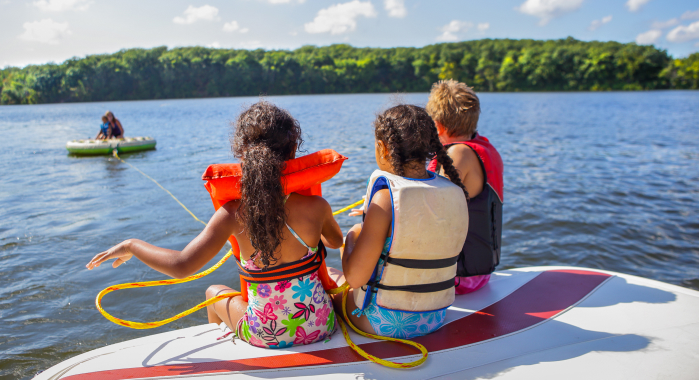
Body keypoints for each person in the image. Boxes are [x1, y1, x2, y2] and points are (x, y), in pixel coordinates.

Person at [86, 101, 344, 349]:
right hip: (319, 325)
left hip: (266, 334)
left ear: (242, 154)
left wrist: (132, 245)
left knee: (213, 292)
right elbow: (335, 242)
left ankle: (228, 354)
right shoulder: (316, 207)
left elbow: (181, 265)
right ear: (292, 152)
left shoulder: (231, 214)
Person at [329, 105, 469, 339]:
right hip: (434, 317)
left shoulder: (385, 199)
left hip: (381, 322)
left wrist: (352, 236)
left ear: (382, 148)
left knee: (330, 277)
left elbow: (355, 278)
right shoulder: (453, 191)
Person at [425, 79, 504, 295]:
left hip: (457, 277)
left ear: (437, 125)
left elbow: (432, 209)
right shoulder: (485, 149)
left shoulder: (457, 154)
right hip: (479, 274)